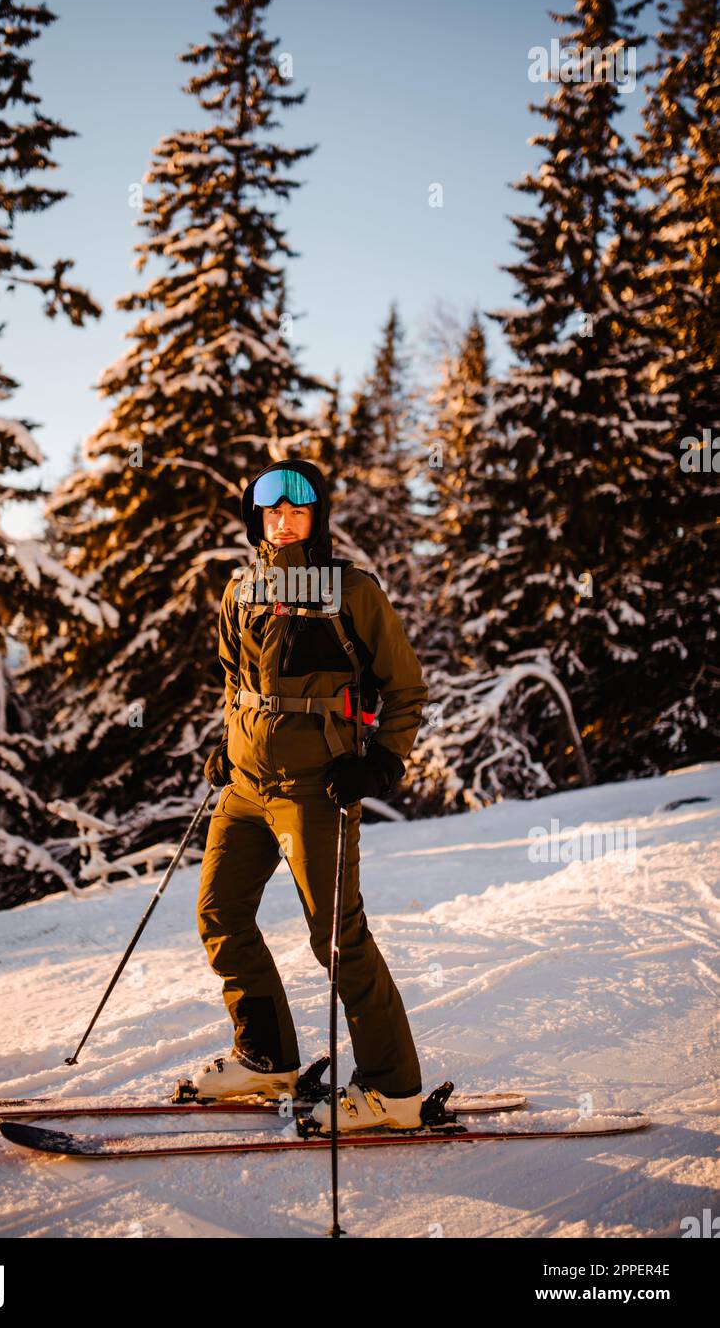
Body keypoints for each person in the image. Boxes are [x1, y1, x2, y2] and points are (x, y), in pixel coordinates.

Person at [190, 458, 429, 1130]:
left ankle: (394, 1090)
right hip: (245, 785)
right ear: (256, 520)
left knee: (335, 937)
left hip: (313, 786)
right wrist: (228, 743)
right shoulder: (239, 591)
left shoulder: (351, 590)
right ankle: (267, 1058)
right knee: (219, 916)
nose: (285, 521)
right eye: (273, 512)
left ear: (317, 517)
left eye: (298, 510)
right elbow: (237, 683)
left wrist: (382, 762)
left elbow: (404, 687)